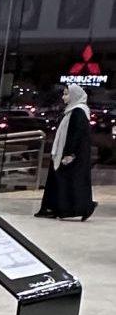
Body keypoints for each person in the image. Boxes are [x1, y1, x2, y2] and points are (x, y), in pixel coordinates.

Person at [37, 83, 97, 221]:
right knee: (65, 182)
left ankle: (83, 207)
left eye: (66, 94)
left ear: (74, 95)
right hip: (69, 153)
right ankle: (55, 209)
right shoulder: (72, 111)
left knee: (70, 182)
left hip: (71, 155)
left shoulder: (78, 111)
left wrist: (70, 153)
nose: (63, 97)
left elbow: (76, 134)